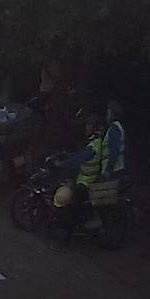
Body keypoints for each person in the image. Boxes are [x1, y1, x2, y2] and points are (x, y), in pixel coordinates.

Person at [56, 101, 128, 245]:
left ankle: (67, 236)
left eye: (108, 111)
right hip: (103, 174)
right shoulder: (110, 132)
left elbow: (112, 152)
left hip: (99, 176)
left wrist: (107, 171)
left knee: (75, 204)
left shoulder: (112, 130)